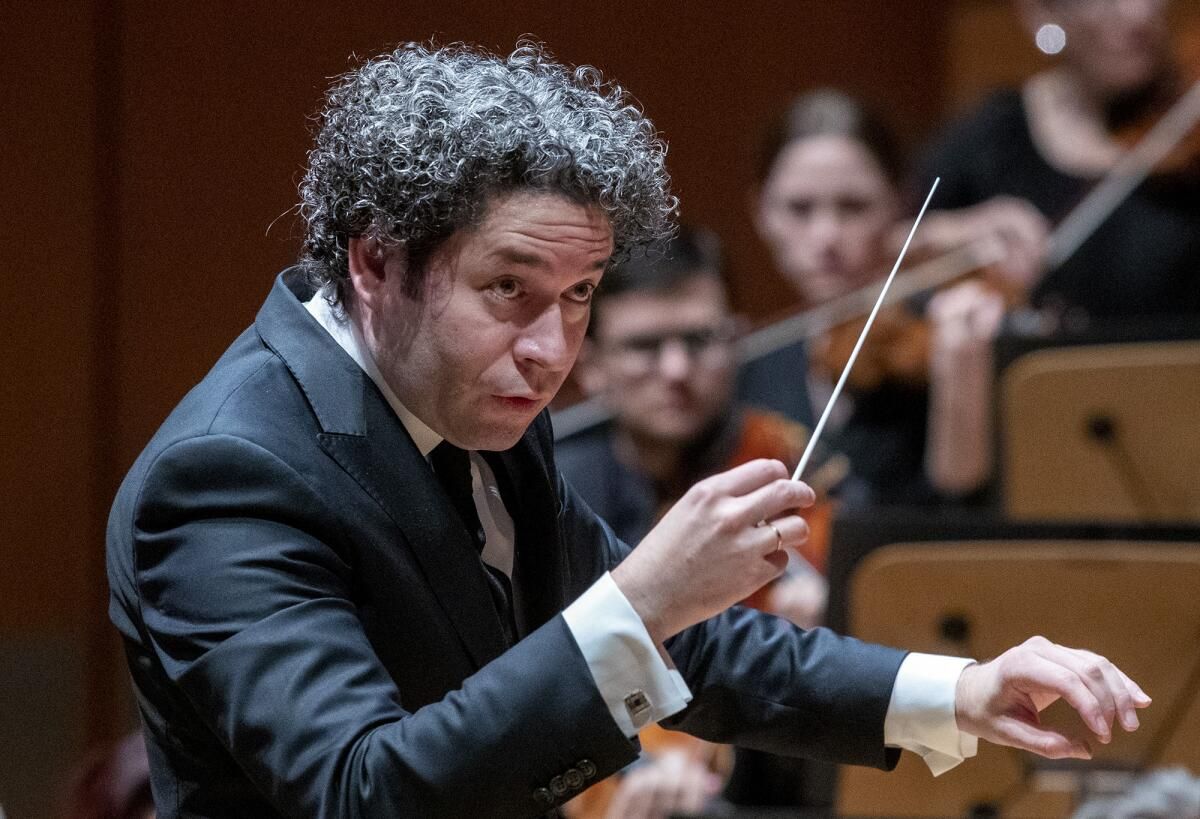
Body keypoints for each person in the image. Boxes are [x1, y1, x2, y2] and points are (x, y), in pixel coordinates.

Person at [107, 42, 1150, 818]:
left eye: (580, 295)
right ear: (376, 261)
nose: (551, 350)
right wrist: (642, 598)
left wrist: (956, 690)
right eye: (509, 288)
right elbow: (363, 791)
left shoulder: (469, 394)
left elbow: (684, 639)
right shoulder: (229, 474)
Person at [558, 226, 832, 818]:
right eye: (644, 346)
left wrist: (832, 620)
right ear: (591, 364)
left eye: (699, 340)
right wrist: (640, 764)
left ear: (736, 339)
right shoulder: (555, 499)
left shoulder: (785, 462)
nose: (677, 370)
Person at [742, 89, 1010, 502]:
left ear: (900, 203)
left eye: (853, 207)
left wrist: (960, 372)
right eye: (799, 208)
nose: (826, 236)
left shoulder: (940, 331)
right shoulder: (752, 361)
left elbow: (959, 509)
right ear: (760, 211)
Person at [916, 0, 1200, 321]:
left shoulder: (1189, 116)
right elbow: (892, 247)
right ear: (1042, 12)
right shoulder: (990, 139)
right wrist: (957, 233)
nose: (1138, 12)